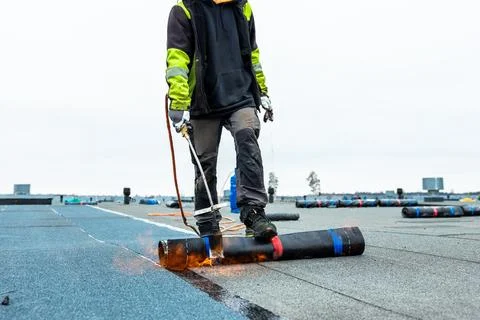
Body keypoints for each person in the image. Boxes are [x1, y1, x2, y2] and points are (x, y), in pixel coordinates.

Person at [165, 0, 277, 241]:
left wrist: (263, 90)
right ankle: (208, 223)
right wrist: (179, 102)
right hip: (203, 101)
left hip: (241, 95)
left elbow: (252, 54)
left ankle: (253, 212)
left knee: (247, 135)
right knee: (204, 160)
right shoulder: (184, 9)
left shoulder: (242, 7)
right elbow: (177, 59)